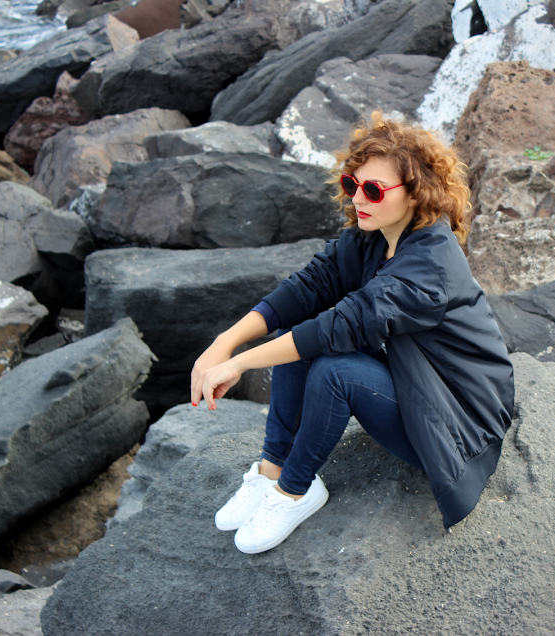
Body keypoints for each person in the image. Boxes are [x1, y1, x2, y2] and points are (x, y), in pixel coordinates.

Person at [190, 111, 514, 554]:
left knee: (334, 372)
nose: (359, 199)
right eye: (352, 184)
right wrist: (224, 342)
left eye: (374, 190)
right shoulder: (376, 234)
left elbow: (340, 326)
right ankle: (272, 469)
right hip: (415, 380)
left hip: (458, 421)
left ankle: (295, 491)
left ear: (416, 193)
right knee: (300, 334)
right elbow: (309, 287)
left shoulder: (431, 263)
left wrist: (239, 364)